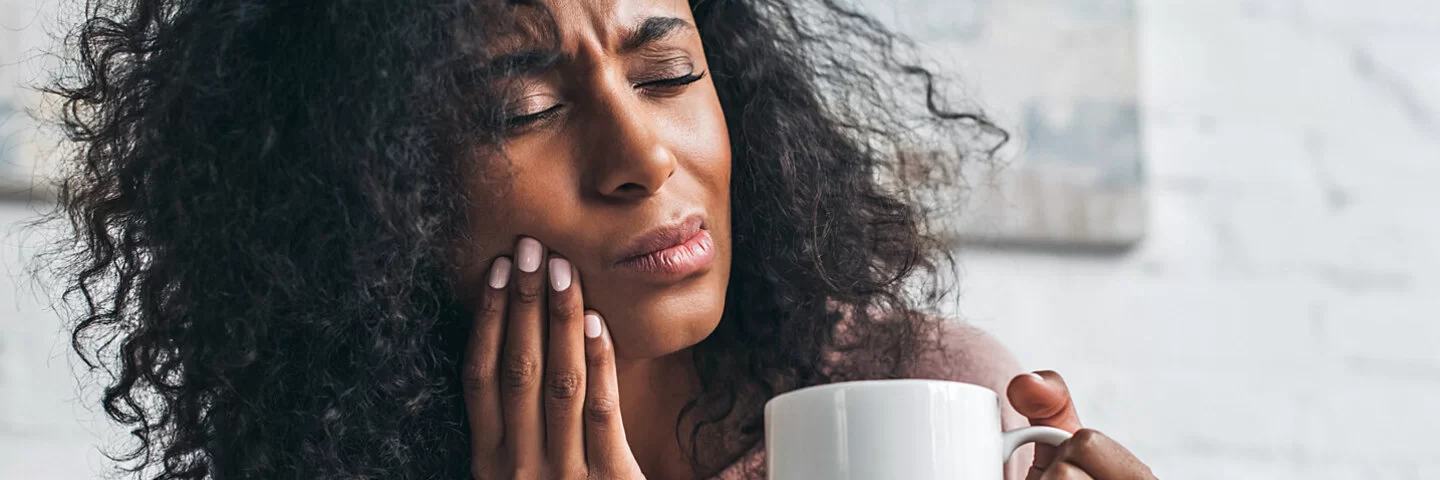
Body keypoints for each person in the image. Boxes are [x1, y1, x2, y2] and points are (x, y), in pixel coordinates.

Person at [46, 0, 1156, 478]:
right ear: (367, 194)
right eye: (521, 110)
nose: (640, 156)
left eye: (668, 75)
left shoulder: (930, 390)